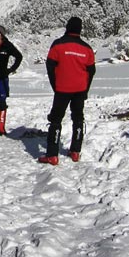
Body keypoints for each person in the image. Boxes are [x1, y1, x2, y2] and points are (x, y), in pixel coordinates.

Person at [39, 17, 96, 165]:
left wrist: (55, 85)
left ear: (67, 27)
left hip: (62, 88)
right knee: (78, 118)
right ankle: (75, 151)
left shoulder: (58, 45)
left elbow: (50, 66)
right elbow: (92, 70)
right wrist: (85, 88)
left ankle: (52, 155)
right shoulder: (87, 48)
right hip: (80, 89)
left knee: (56, 120)